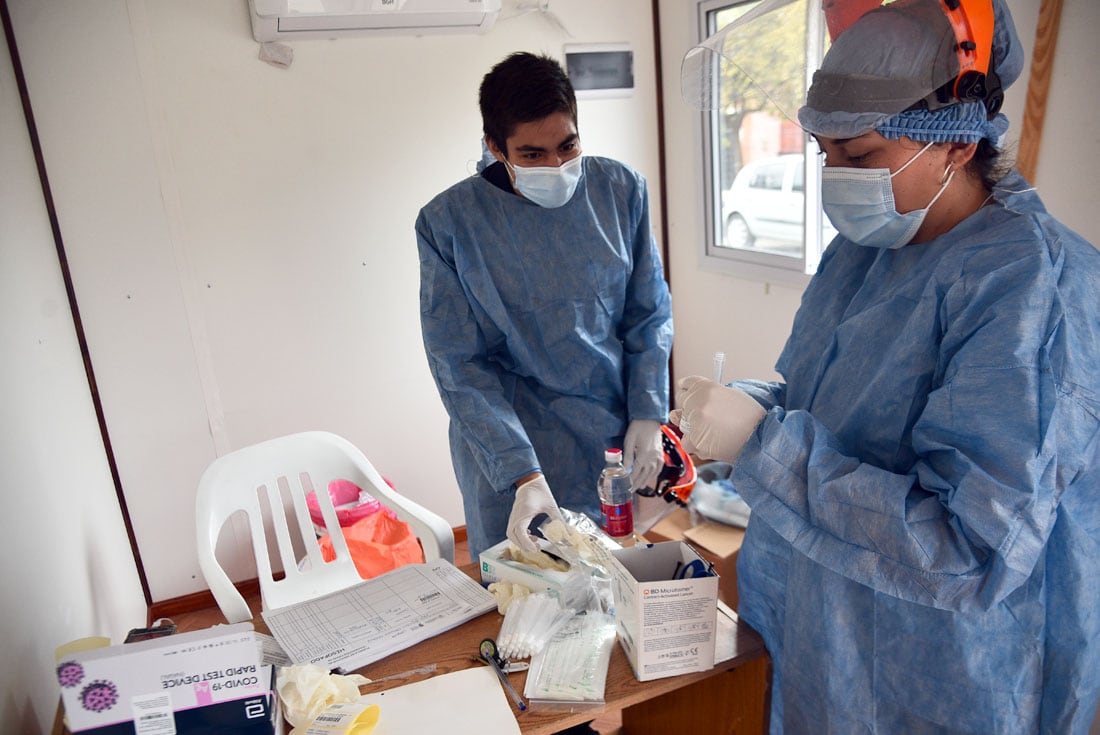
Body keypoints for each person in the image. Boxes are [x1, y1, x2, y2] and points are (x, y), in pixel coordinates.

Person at [672, 0, 1100, 732]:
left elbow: (968, 551)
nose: (836, 177)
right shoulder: (868, 244)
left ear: (956, 144)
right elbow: (824, 398)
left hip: (945, 675)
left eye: (860, 156)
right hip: (824, 635)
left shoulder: (1031, 289)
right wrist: (745, 406)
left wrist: (765, 445)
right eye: (824, 153)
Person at [416, 52, 674, 562]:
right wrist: (523, 474)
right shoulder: (449, 223)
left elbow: (648, 313)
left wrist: (647, 411)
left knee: (605, 587)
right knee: (522, 597)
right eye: (532, 155)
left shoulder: (620, 191)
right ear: (496, 147)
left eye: (568, 145)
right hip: (509, 447)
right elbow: (459, 366)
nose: (556, 167)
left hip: (606, 436)